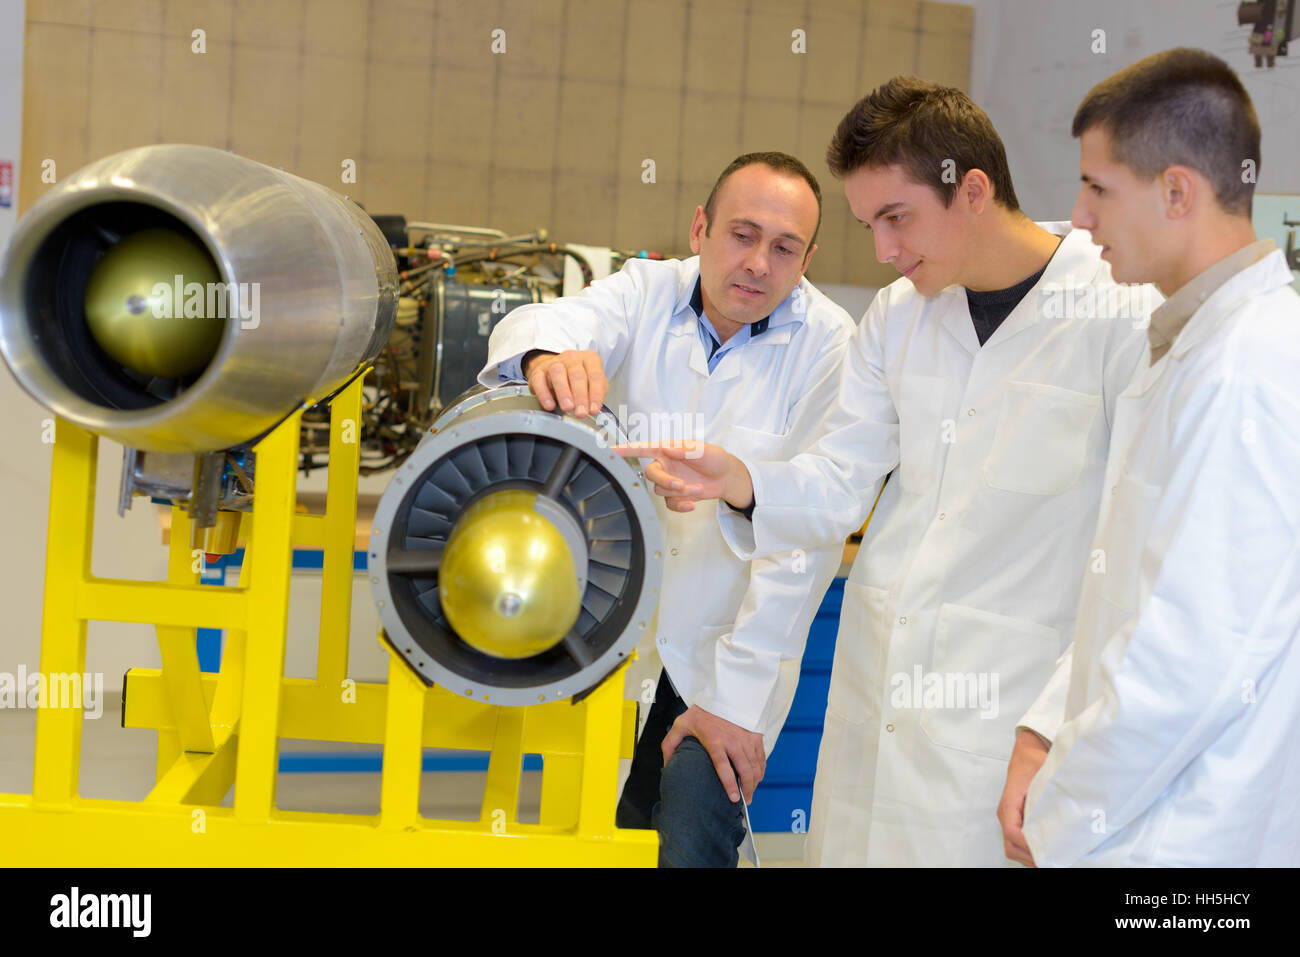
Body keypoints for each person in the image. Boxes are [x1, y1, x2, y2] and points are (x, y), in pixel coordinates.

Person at [619, 78, 1155, 866]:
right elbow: (839, 482)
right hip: (879, 704)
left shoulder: (1120, 313)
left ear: (972, 190)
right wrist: (741, 478)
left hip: (1013, 718)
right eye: (870, 224)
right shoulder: (897, 318)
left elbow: (1138, 553)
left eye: (897, 219)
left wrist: (1050, 727)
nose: (883, 251)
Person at [477, 152, 856, 867]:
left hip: (730, 646)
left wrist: (736, 701)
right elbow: (544, 321)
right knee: (605, 830)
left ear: (809, 258)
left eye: (784, 249)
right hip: (618, 629)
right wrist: (546, 357)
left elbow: (806, 540)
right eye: (742, 235)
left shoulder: (831, 347)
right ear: (700, 227)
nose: (758, 264)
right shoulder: (647, 292)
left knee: (691, 833)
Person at [996, 48, 1300, 867]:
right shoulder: (1193, 347)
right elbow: (1130, 599)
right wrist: (1048, 726)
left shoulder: (1249, 366)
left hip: (1192, 842)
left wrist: (1062, 812)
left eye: (1098, 186)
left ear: (1176, 191)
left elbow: (1191, 658)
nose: (1080, 215)